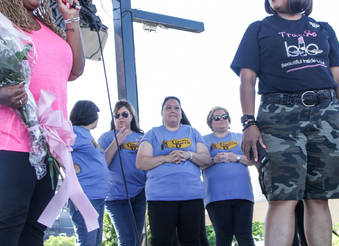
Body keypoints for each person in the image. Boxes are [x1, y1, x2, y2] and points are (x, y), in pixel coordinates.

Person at [231, 0, 339, 246]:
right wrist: (249, 122)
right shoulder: (259, 29)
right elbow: (247, 80)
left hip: (326, 116)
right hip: (278, 118)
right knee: (283, 198)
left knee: (319, 198)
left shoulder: (323, 29)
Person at [0, 0, 85, 246]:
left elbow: (76, 69)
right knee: (8, 220)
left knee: (35, 228)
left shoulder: (49, 28)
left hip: (47, 139)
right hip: (4, 134)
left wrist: (70, 19)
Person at [136, 96, 212, 246]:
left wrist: (188, 155)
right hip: (161, 197)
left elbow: (206, 160)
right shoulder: (152, 134)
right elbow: (141, 162)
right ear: (162, 112)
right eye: (168, 107)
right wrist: (166, 158)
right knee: (161, 242)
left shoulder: (193, 132)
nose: (173, 110)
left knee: (191, 241)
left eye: (176, 108)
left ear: (181, 113)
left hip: (192, 196)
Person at [201, 106, 255, 246]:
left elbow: (254, 160)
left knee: (245, 236)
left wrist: (236, 157)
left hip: (243, 194)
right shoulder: (202, 141)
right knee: (223, 237)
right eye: (217, 117)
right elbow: (197, 164)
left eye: (224, 116)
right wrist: (214, 160)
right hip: (216, 196)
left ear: (229, 120)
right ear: (210, 122)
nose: (221, 120)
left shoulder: (241, 137)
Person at [98, 101, 147, 246]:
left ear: (131, 116)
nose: (120, 118)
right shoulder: (106, 137)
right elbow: (102, 164)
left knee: (137, 240)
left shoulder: (142, 137)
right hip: (116, 196)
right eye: (116, 115)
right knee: (127, 240)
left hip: (140, 194)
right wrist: (116, 142)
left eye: (124, 114)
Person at [68, 100, 110, 246]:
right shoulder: (74, 133)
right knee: (88, 242)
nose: (98, 117)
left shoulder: (86, 134)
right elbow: (55, 150)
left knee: (95, 242)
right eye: (96, 114)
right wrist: (68, 167)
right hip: (85, 197)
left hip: (97, 197)